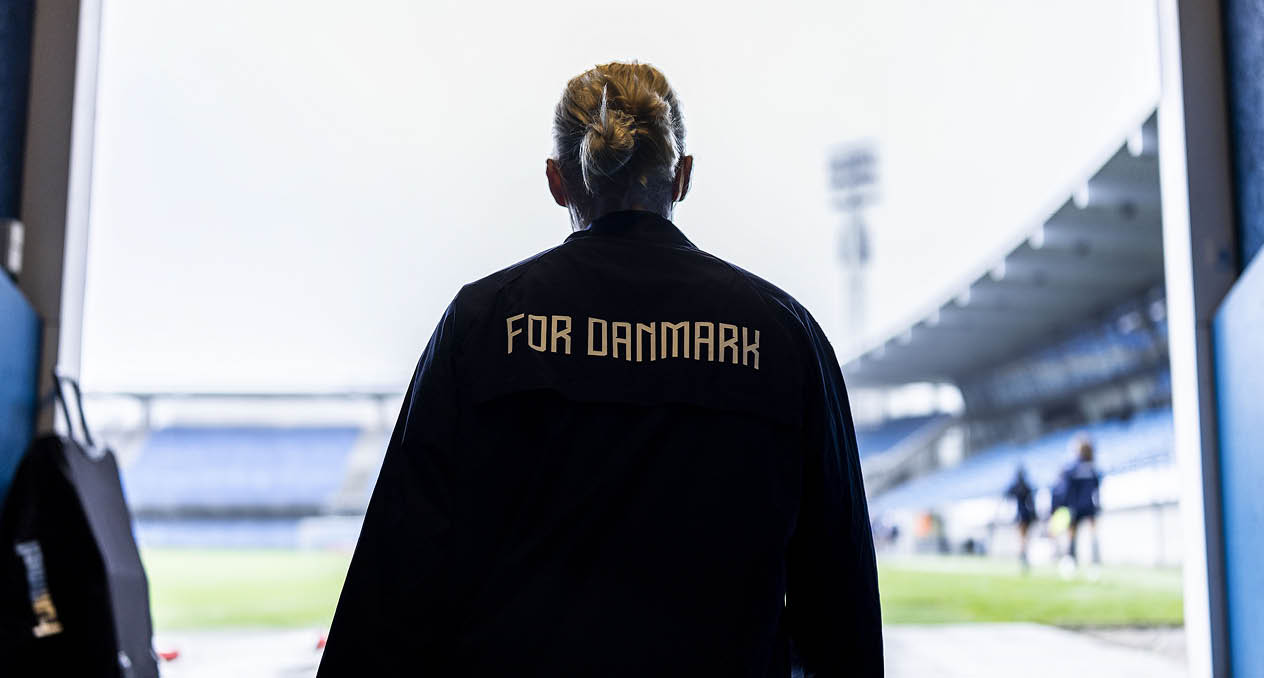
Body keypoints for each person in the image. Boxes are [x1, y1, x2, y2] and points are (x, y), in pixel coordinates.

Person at [316, 62, 882, 677]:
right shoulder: (782, 335)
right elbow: (841, 603)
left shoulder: (480, 325)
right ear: (684, 176)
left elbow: (395, 585)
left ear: (558, 182)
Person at [1057, 435, 1102, 567]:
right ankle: (1095, 561)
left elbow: (1065, 489)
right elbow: (1097, 488)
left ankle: (1071, 560)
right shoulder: (1092, 468)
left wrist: (1062, 505)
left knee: (1072, 534)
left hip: (1075, 507)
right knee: (1092, 534)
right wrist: (1097, 505)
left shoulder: (1071, 468)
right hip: (1089, 506)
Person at [1004, 465, 1037, 570]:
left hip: (1019, 514)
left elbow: (1006, 495)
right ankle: (1024, 555)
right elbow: (1031, 502)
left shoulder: (1015, 486)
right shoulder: (1026, 486)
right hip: (1026, 514)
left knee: (1021, 538)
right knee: (1024, 538)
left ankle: (1023, 555)